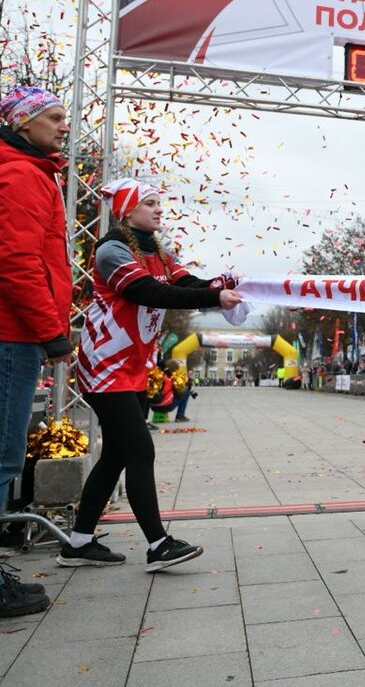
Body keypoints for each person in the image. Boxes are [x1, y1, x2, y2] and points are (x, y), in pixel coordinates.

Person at [62, 178, 242, 572]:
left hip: (134, 367)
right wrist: (213, 296)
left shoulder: (158, 250)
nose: (160, 209)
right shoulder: (112, 250)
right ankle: (159, 544)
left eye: (160, 202)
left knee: (115, 454)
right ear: (126, 211)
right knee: (140, 450)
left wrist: (220, 286)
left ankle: (78, 542)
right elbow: (150, 293)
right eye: (150, 203)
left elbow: (185, 284)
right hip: (105, 365)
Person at [0, 86, 72, 616]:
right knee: (3, 458)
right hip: (12, 334)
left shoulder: (29, 169)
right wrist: (52, 331)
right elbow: (16, 262)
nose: (63, 125)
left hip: (16, 331)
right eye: (53, 117)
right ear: (24, 123)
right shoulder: (22, 173)